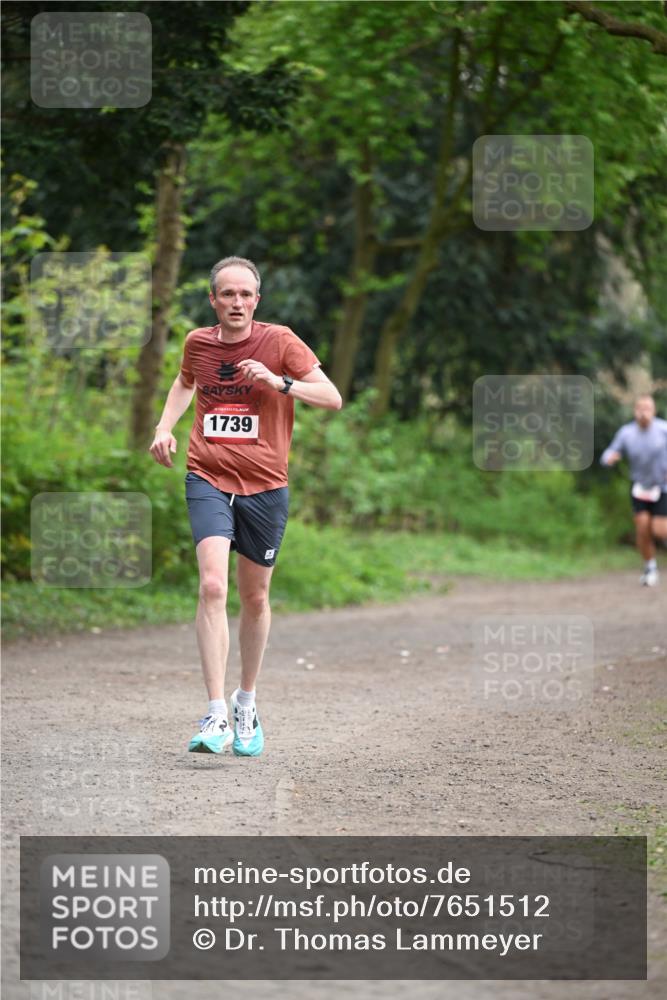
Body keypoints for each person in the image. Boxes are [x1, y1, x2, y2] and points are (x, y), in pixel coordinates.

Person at [149, 256, 342, 756]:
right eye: (228, 294)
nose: (237, 302)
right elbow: (185, 382)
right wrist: (164, 427)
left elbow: (332, 397)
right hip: (207, 476)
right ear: (213, 299)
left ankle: (245, 701)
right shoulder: (198, 343)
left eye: (245, 294)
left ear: (257, 300)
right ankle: (215, 712)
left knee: (254, 598)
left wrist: (279, 382)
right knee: (213, 585)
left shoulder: (280, 341)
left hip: (266, 486)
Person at [600, 394, 667, 586]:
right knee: (642, 526)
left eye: (647, 408)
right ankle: (650, 567)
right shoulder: (626, 433)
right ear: (634, 411)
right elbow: (609, 452)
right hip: (640, 487)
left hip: (662, 486)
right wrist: (609, 458)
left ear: (654, 411)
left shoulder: (663, 429)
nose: (643, 412)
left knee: (660, 530)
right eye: (640, 408)